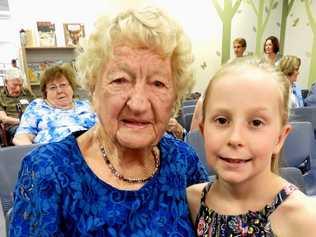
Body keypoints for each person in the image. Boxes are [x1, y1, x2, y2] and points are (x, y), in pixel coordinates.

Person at [10, 7, 209, 236]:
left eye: (158, 83)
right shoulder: (46, 171)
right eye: (120, 80)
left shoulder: (184, 161)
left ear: (175, 98)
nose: (138, 104)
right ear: (93, 89)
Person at [187, 59, 316, 236]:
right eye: (222, 121)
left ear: (279, 138)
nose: (235, 138)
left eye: (256, 123)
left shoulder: (304, 218)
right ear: (203, 131)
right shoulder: (191, 202)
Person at [12, 64, 96, 145]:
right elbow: (21, 137)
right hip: (53, 155)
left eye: (63, 85)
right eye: (53, 87)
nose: (59, 91)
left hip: (92, 153)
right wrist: (35, 156)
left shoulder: (85, 105)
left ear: (72, 87)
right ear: (45, 92)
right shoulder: (38, 107)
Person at [0, 68, 34, 145]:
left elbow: (37, 107)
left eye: (20, 85)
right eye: (14, 85)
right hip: (14, 126)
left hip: (33, 122)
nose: (18, 89)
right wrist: (23, 122)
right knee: (23, 134)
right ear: (6, 82)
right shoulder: (1, 97)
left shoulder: (27, 92)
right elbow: (4, 119)